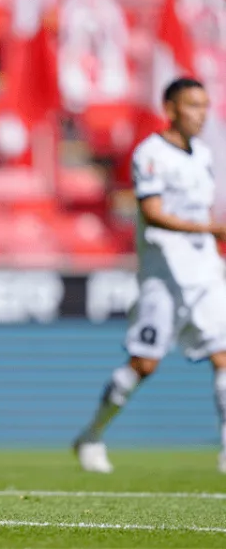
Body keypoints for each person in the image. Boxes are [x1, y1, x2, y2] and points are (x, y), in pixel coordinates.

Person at [74, 78, 226, 473]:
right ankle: (92, 435)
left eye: (205, 106)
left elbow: (203, 212)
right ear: (171, 108)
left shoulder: (204, 155)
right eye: (193, 105)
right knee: (144, 365)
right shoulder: (151, 154)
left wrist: (212, 239)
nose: (201, 114)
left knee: (223, 357)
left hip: (206, 272)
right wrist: (211, 231)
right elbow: (154, 212)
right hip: (163, 275)